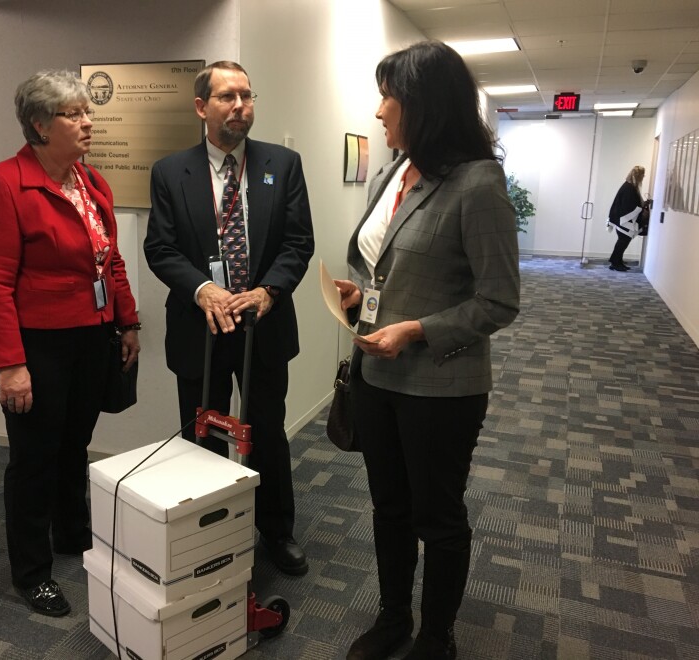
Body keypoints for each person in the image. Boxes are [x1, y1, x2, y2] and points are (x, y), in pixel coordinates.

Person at [334, 42, 520, 660]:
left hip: (441, 385)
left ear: (426, 105)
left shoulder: (479, 183)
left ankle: (436, 637)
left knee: (436, 517)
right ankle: (392, 617)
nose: (380, 110)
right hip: (376, 375)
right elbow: (388, 265)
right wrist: (358, 294)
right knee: (388, 506)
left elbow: (499, 302)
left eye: (391, 95)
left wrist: (415, 330)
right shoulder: (397, 168)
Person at [0, 70, 140, 617]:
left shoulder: (89, 181)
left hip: (92, 336)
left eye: (88, 112)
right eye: (74, 114)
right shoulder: (3, 183)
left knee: (74, 444)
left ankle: (72, 534)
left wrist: (128, 321)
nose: (88, 122)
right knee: (35, 458)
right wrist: (9, 365)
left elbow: (108, 258)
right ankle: (32, 572)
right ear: (40, 125)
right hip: (37, 346)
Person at [144, 61, 314, 576]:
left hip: (263, 322)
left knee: (266, 427)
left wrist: (268, 291)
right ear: (202, 107)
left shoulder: (281, 164)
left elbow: (298, 242)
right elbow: (161, 248)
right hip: (201, 323)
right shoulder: (171, 172)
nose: (240, 106)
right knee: (202, 430)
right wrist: (203, 289)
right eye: (227, 97)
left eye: (246, 95)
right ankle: (208, 532)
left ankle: (276, 531)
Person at [607, 165, 646, 271]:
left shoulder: (629, 186)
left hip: (620, 219)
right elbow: (629, 205)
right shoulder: (629, 188)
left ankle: (616, 261)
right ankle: (615, 262)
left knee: (622, 241)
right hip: (623, 220)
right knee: (623, 241)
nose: (643, 177)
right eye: (643, 175)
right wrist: (641, 208)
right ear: (639, 176)